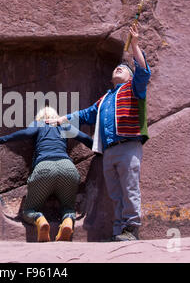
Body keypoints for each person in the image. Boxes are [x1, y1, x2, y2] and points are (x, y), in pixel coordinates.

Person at [46, 23, 151, 241]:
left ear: (131, 78)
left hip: (128, 146)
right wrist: (60, 119)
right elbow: (84, 114)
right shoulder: (104, 99)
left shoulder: (134, 89)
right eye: (117, 68)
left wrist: (136, 46)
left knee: (130, 189)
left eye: (124, 69)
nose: (119, 69)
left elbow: (143, 71)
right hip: (108, 151)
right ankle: (119, 230)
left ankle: (132, 228)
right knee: (115, 193)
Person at [0, 106, 93, 242]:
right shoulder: (63, 125)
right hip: (67, 168)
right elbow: (83, 137)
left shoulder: (39, 125)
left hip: (44, 169)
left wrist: (0, 139)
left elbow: (24, 133)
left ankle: (40, 220)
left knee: (29, 210)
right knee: (68, 207)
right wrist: (98, 149)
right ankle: (67, 220)